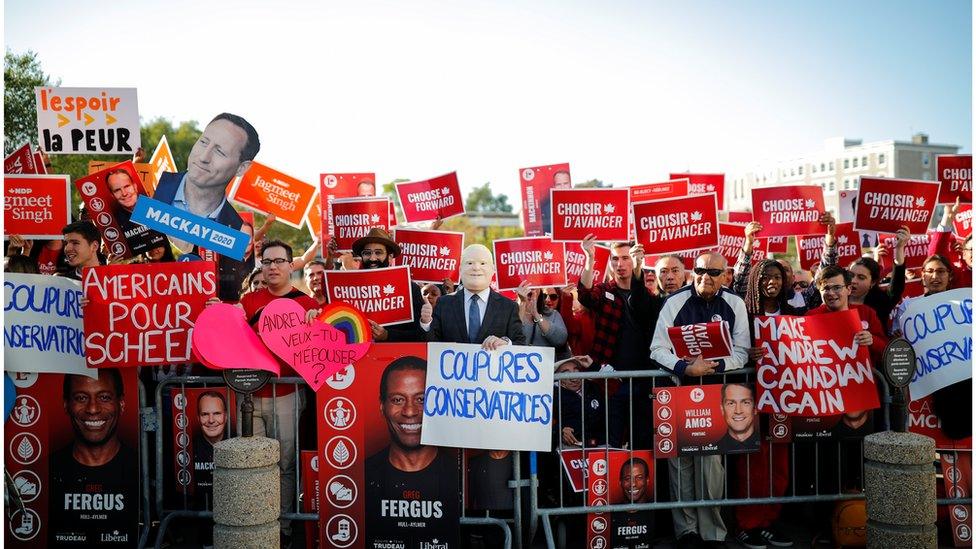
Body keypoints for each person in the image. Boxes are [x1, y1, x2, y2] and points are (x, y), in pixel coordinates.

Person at [650, 251, 751, 549]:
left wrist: (716, 366)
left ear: (726, 275)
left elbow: (743, 351)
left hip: (716, 394)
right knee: (680, 467)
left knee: (711, 467)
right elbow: (657, 349)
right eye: (700, 270)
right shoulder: (674, 302)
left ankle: (713, 534)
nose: (705, 276)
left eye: (713, 272)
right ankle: (687, 533)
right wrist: (686, 367)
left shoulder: (735, 304)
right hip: (678, 391)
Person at [237, 239, 318, 543]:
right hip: (248, 398)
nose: (272, 267)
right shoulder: (248, 303)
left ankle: (281, 528)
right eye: (267, 262)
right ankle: (256, 523)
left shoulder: (308, 304)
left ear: (290, 264)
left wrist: (317, 323)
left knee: (284, 464)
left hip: (287, 397)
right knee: (254, 463)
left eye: (279, 261)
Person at [153, 113, 260, 301]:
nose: (203, 157)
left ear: (241, 168)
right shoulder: (151, 194)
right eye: (203, 142)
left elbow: (232, 289)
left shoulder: (235, 233)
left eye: (220, 151)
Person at [732, 259, 796, 549]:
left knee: (779, 465)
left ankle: (770, 519)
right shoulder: (745, 314)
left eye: (778, 277)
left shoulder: (796, 313)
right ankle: (749, 523)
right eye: (766, 277)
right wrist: (747, 355)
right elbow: (731, 349)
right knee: (752, 465)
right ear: (756, 281)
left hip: (784, 399)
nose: (773, 282)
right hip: (751, 398)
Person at [365, 356, 460, 547]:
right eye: (398, 399)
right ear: (382, 406)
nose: (410, 411)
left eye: (421, 399)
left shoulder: (460, 475)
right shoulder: (360, 476)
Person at [577, 235, 662, 449]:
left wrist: (639, 270)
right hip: (612, 381)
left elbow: (644, 307)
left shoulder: (648, 296)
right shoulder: (605, 291)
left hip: (644, 379)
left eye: (625, 258)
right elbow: (585, 295)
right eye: (615, 259)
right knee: (611, 443)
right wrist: (589, 257)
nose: (620, 264)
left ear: (634, 260)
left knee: (642, 441)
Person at [49, 369, 138, 546]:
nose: (93, 409)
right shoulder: (45, 471)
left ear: (121, 403)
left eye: (104, 397)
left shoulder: (143, 470)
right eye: (81, 398)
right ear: (66, 405)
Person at [423, 244, 524, 348]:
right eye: (470, 263)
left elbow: (520, 343)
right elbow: (433, 345)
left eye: (483, 263)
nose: (476, 268)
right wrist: (426, 323)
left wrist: (506, 343)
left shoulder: (509, 307)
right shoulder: (444, 303)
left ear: (493, 269)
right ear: (460, 269)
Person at [733, 214, 837, 314]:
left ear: (793, 278)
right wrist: (748, 243)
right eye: (767, 276)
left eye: (781, 273)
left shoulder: (804, 300)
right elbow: (741, 280)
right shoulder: (749, 306)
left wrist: (830, 238)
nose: (773, 280)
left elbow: (825, 274)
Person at [339, 228, 428, 341]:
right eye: (367, 253)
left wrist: (387, 335)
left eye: (378, 252)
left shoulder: (409, 288)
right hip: (356, 355)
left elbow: (419, 335)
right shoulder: (348, 289)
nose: (372, 258)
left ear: (390, 258)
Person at [847, 226, 909, 329]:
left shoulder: (881, 302)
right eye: (850, 275)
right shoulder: (837, 299)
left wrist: (899, 249)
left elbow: (897, 286)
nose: (853, 281)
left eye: (861, 277)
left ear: (872, 282)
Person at [515, 283, 570, 360]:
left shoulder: (552, 314)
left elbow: (560, 340)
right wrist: (523, 303)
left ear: (539, 291)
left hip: (546, 366)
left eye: (534, 287)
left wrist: (536, 314)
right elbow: (512, 336)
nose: (530, 289)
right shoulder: (511, 313)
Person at [193, 391, 229, 506]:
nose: (211, 420)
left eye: (217, 413)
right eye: (205, 414)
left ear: (226, 416)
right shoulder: (187, 449)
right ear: (198, 418)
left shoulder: (236, 445)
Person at [610, 457, 655, 549]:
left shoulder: (658, 513)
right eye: (627, 479)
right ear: (620, 482)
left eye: (639, 478)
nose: (633, 484)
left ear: (647, 481)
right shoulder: (610, 515)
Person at [929, 198, 972, 288]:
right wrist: (947, 218)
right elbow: (937, 256)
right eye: (971, 249)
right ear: (964, 254)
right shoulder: (959, 276)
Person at [717, 383, 760, 453]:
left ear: (755, 408)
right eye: (731, 403)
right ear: (722, 409)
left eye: (746, 402)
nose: (738, 411)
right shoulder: (713, 448)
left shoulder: (768, 446)